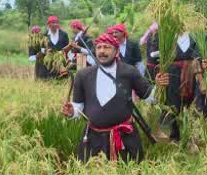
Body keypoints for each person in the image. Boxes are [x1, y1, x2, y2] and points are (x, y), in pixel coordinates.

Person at [62, 33, 167, 162]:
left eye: (107, 47)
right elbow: (79, 107)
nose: (102, 51)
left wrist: (159, 86)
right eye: (99, 47)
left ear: (116, 51)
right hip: (93, 140)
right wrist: (72, 111)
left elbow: (150, 97)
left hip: (125, 139)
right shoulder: (83, 75)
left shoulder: (129, 72)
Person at [148, 29, 199, 141]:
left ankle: (191, 135)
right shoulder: (166, 36)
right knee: (173, 104)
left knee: (193, 103)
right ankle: (175, 136)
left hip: (192, 73)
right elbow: (153, 55)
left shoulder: (195, 35)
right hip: (172, 72)